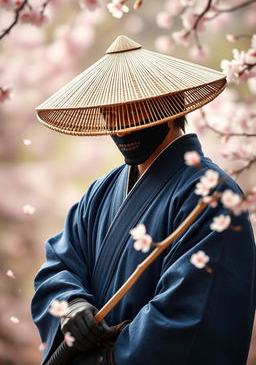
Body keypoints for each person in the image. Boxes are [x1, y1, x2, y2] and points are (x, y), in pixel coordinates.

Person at [32, 36, 256, 365]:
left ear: (168, 108)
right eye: (111, 114)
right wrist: (71, 305)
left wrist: (105, 359)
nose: (121, 129)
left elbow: (194, 317)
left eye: (133, 110)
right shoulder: (99, 193)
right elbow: (58, 266)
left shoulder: (213, 196)